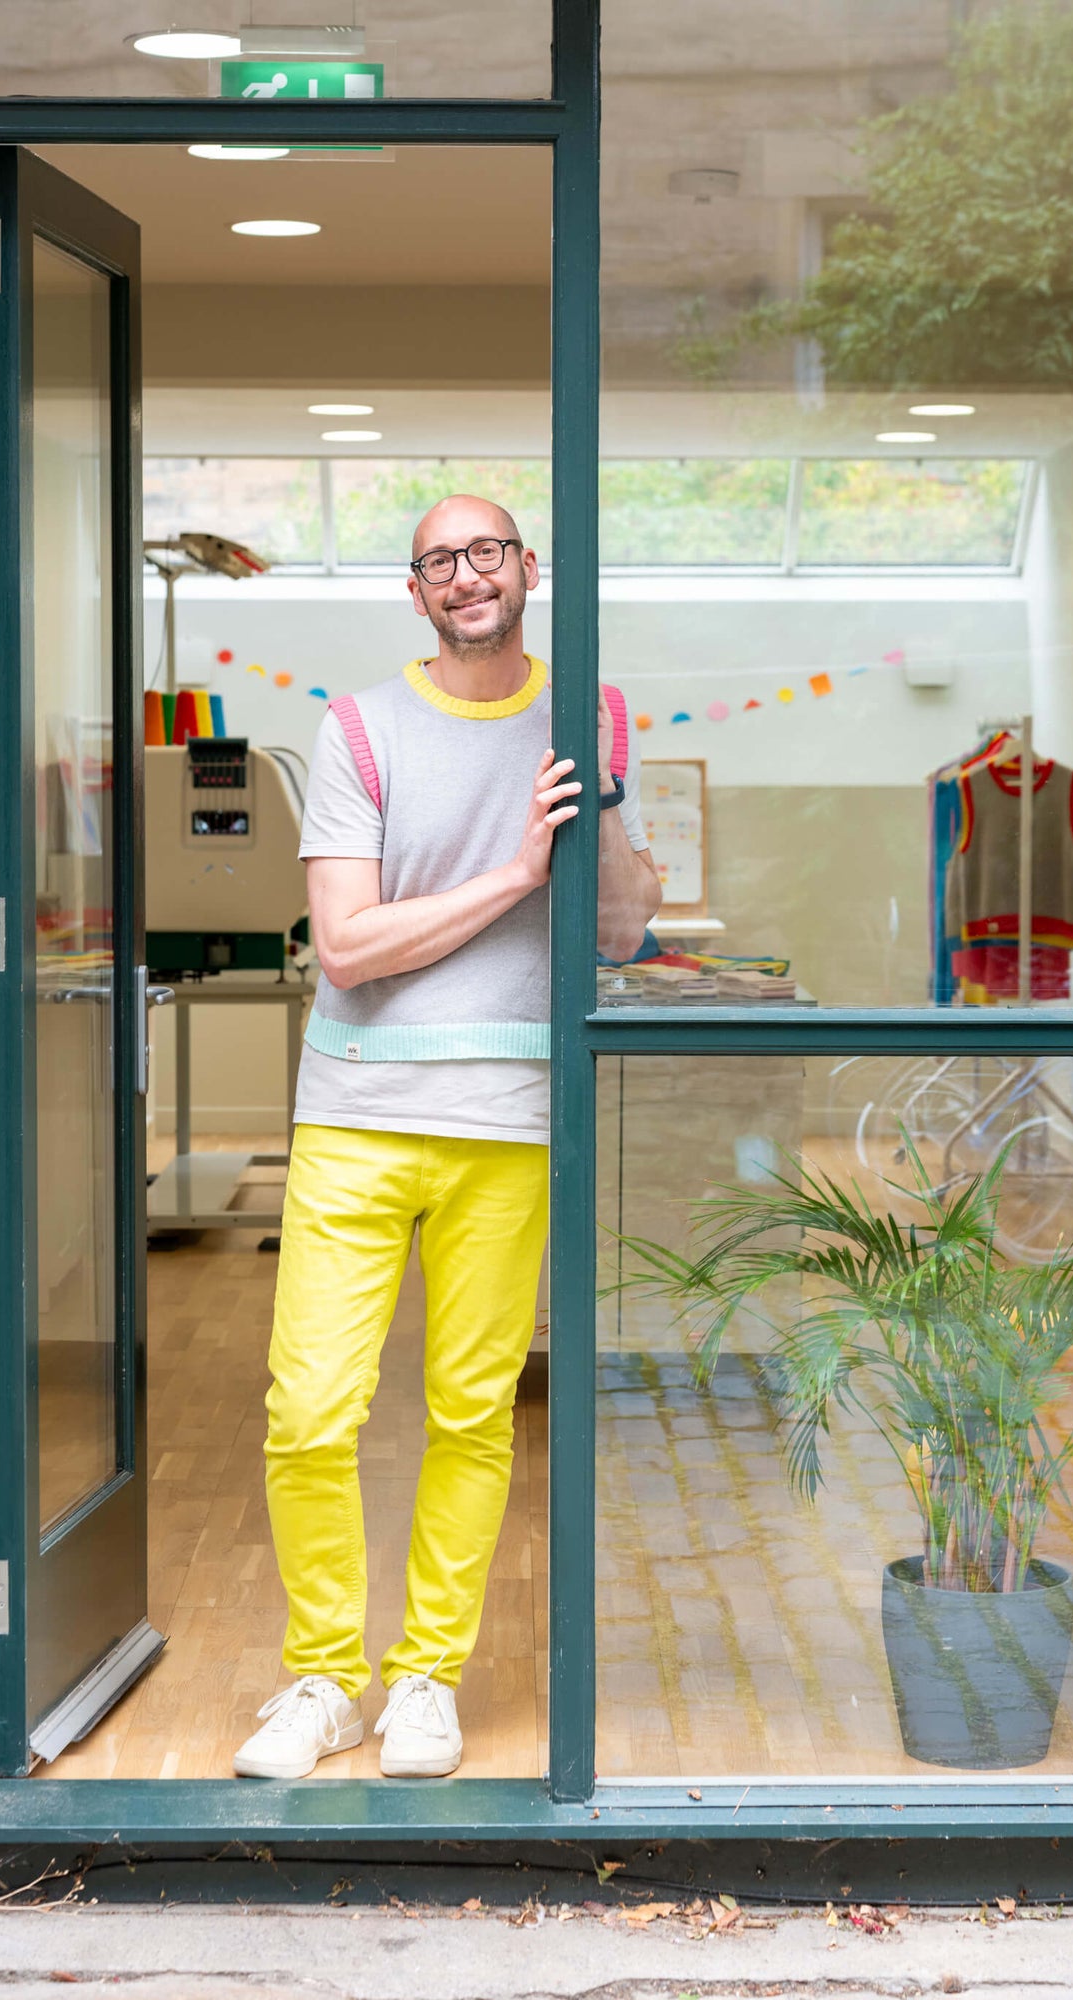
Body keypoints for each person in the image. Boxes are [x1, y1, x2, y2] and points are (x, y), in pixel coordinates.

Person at [233, 493, 661, 1781]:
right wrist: (513, 875)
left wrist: (610, 815)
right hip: (359, 1115)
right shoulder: (361, 726)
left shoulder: (585, 714)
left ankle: (423, 1681)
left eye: (487, 553)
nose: (466, 576)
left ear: (529, 567)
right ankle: (324, 1681)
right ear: (416, 593)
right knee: (308, 1412)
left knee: (473, 1415)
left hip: (510, 1117)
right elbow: (351, 950)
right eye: (439, 563)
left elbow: (622, 932)